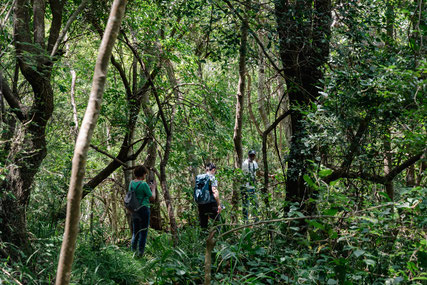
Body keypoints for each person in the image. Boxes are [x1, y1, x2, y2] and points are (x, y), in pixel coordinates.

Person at [129, 165, 155, 257]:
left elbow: (133, 194)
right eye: (145, 174)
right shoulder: (144, 184)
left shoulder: (131, 183)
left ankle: (133, 252)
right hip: (144, 209)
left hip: (134, 210)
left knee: (135, 232)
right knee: (143, 232)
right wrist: (153, 189)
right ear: (143, 174)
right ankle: (140, 254)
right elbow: (152, 198)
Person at [197, 163, 222, 228]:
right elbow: (214, 191)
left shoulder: (200, 178)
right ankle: (217, 236)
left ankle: (203, 237)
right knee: (217, 222)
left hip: (201, 204)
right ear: (213, 170)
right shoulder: (212, 177)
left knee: (203, 223)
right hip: (211, 203)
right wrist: (219, 204)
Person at [241, 150, 259, 221]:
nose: (252, 157)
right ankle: (245, 221)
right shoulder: (245, 163)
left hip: (252, 187)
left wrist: (269, 176)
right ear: (248, 155)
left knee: (255, 204)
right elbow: (241, 175)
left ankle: (256, 221)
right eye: (251, 155)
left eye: (253, 155)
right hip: (245, 187)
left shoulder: (255, 163)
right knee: (246, 205)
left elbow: (258, 172)